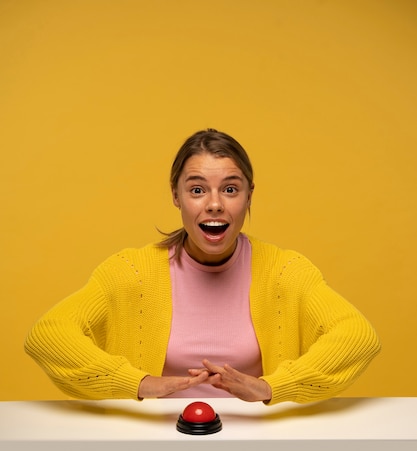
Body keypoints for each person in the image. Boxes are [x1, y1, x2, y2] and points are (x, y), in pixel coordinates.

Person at [24, 129, 381, 404]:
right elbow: (49, 334)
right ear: (176, 195)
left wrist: (271, 387)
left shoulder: (285, 270)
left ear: (249, 195)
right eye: (197, 190)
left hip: (258, 447)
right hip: (152, 446)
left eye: (230, 189)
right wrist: (139, 383)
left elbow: (357, 336)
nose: (213, 204)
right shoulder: (131, 271)